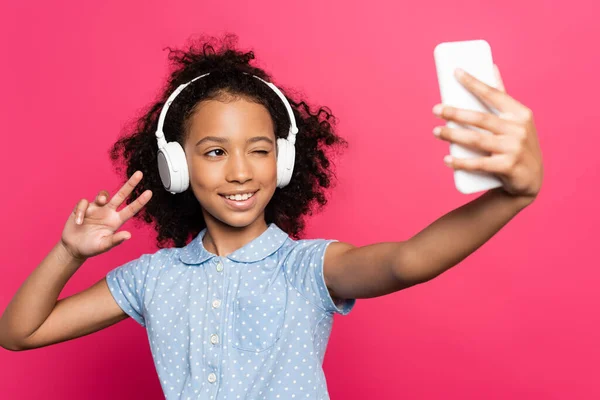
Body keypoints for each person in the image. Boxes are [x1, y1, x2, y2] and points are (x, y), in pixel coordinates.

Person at [0, 35, 543, 400]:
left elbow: (408, 261)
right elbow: (20, 333)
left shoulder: (307, 268)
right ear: (175, 167)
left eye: (259, 150)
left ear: (283, 161)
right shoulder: (152, 278)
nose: (240, 171)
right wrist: (69, 252)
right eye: (214, 152)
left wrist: (512, 197)